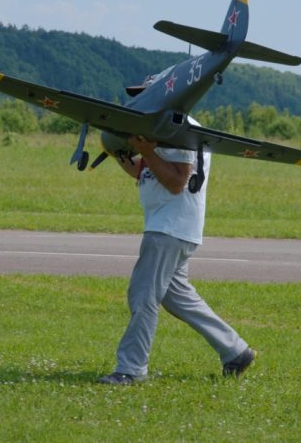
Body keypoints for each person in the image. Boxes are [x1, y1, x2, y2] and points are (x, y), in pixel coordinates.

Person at [97, 125, 256, 385]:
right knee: (176, 297)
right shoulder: (164, 127)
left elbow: (176, 182)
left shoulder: (179, 128)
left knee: (143, 294)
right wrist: (120, 152)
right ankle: (235, 351)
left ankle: (131, 368)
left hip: (168, 228)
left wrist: (147, 150)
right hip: (172, 227)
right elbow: (145, 170)